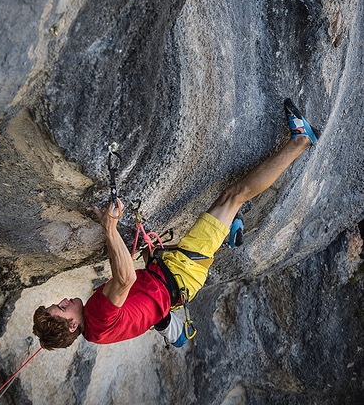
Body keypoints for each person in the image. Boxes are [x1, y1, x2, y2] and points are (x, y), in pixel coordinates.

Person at [33, 99, 318, 349]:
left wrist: (141, 251)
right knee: (234, 196)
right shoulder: (97, 315)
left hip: (171, 277)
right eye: (62, 308)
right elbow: (126, 279)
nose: (65, 301)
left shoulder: (94, 332)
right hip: (181, 270)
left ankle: (226, 234)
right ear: (72, 325)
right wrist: (109, 228)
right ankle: (300, 141)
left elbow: (138, 302)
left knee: (219, 212)